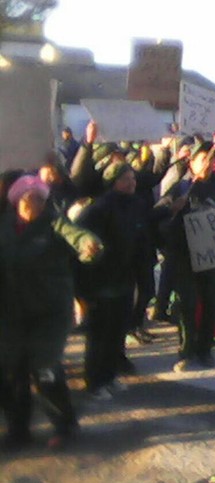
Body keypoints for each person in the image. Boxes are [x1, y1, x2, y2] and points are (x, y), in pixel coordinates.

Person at [0, 175, 102, 449]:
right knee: (10, 371)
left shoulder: (55, 223)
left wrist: (89, 246)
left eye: (41, 199)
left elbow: (78, 236)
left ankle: (64, 424)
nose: (37, 204)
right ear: (18, 201)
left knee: (45, 367)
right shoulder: (5, 227)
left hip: (49, 311)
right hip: (11, 312)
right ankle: (18, 429)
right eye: (31, 199)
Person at [76, 157, 151, 398]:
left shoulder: (136, 205)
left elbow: (140, 238)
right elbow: (84, 244)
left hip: (124, 279)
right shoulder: (98, 209)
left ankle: (109, 375)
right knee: (100, 334)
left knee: (117, 332)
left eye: (133, 179)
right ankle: (94, 381)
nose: (131, 183)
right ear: (113, 181)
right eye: (125, 179)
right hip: (102, 281)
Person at [156, 141, 215, 372]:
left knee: (211, 303)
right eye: (202, 160)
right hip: (184, 256)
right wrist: (172, 209)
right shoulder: (180, 188)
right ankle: (186, 351)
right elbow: (157, 215)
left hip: (212, 258)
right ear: (192, 163)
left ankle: (205, 350)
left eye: (211, 160)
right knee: (187, 305)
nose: (208, 165)